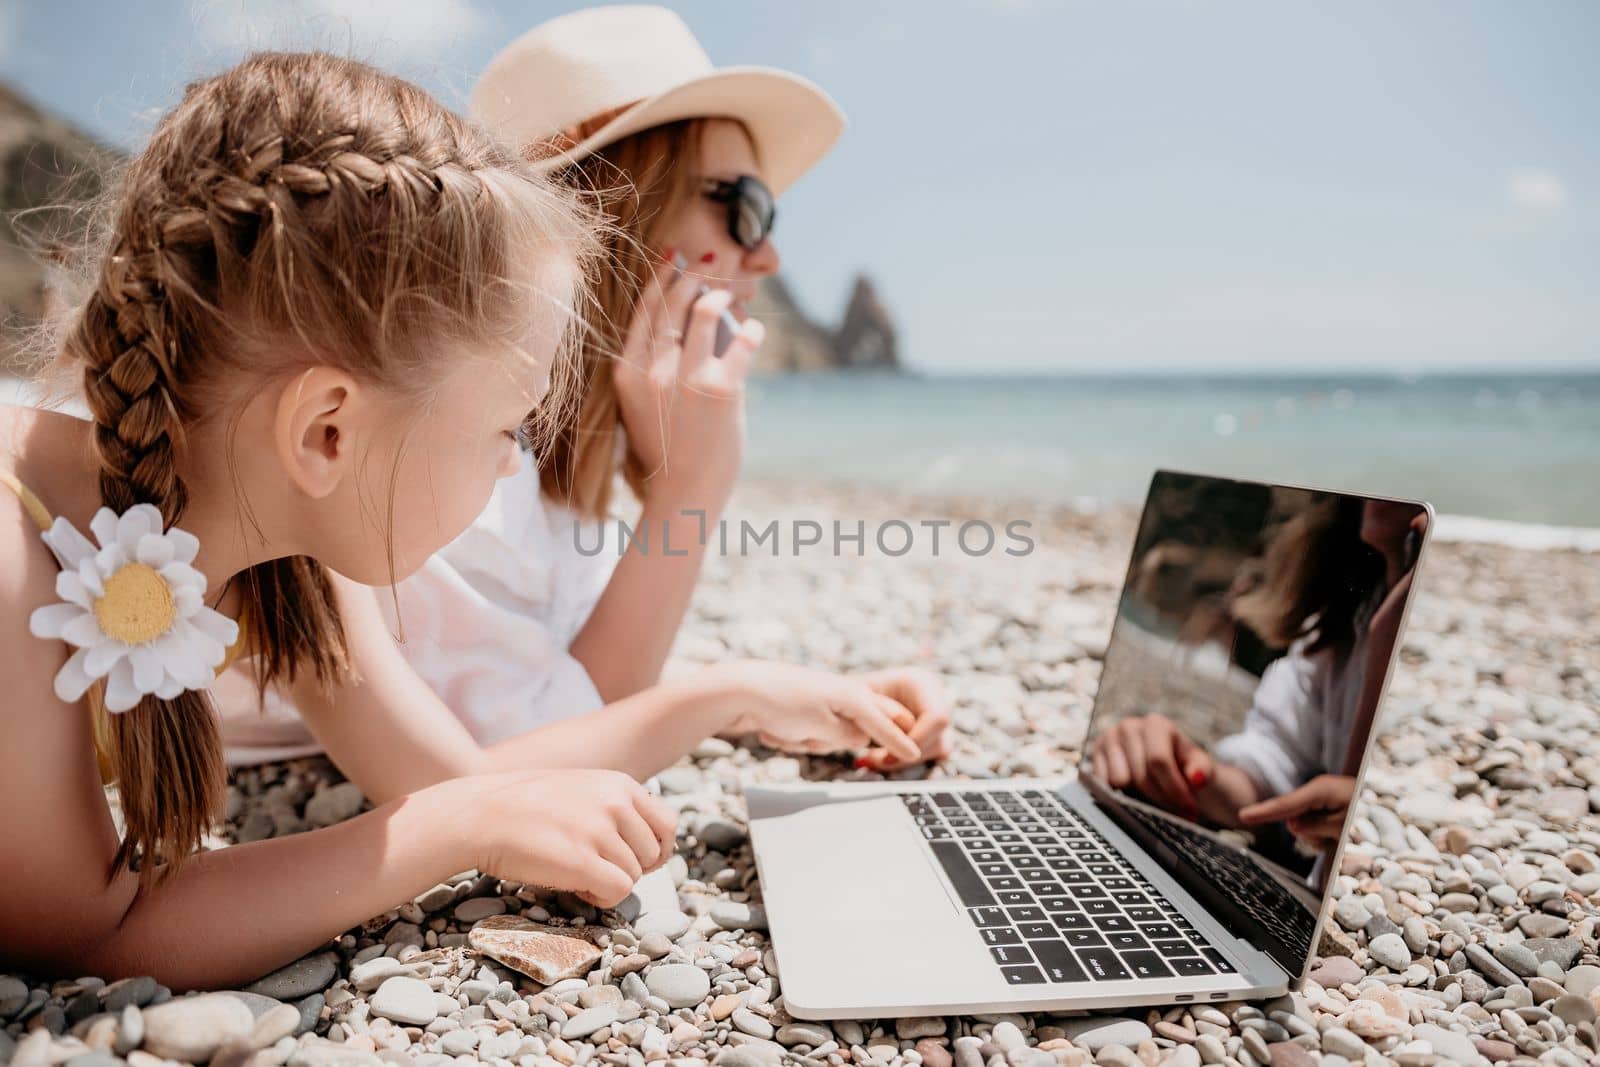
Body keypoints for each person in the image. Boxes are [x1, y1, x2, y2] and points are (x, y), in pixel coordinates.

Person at [0, 52, 923, 986]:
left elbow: (452, 775)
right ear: (327, 432)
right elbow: (89, 934)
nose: (508, 457)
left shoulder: (294, 553)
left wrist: (731, 696)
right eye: (503, 427)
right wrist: (453, 828)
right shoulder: (15, 567)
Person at [216, 6, 953, 773]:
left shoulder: (533, 464)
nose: (766, 257)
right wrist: (689, 494)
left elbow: (586, 679)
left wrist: (818, 699)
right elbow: (522, 761)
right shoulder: (430, 446)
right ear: (609, 209)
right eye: (742, 207)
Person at [1091, 497, 1426, 858]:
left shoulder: (1407, 648)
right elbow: (1273, 763)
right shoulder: (1338, 627)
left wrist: (1358, 803)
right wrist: (1186, 771)